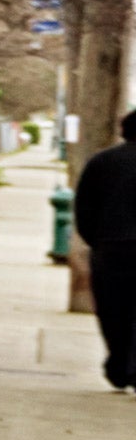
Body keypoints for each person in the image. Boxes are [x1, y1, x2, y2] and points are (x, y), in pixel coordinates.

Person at [83, 116, 136, 390]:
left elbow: (84, 207)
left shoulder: (101, 162)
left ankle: (118, 364)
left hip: (111, 248)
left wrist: (96, 241)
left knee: (112, 309)